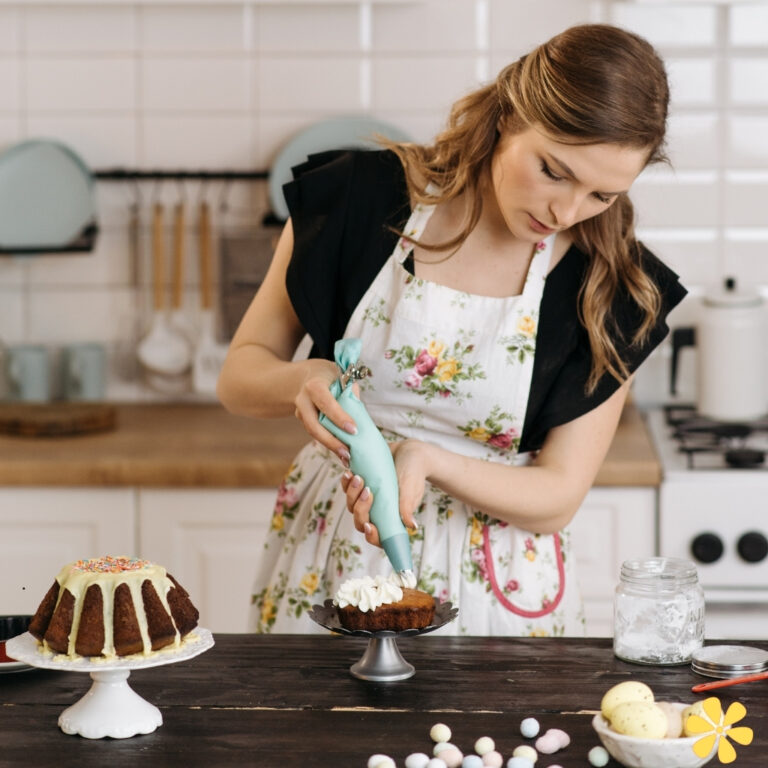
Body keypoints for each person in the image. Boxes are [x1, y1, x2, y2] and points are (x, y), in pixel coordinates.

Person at [217, 23, 687, 636]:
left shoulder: (614, 286)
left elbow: (558, 496)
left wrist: (428, 460)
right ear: (508, 117)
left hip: (499, 588)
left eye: (602, 194)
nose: (565, 212)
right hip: (332, 558)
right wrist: (301, 378)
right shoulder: (359, 198)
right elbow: (240, 376)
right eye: (554, 171)